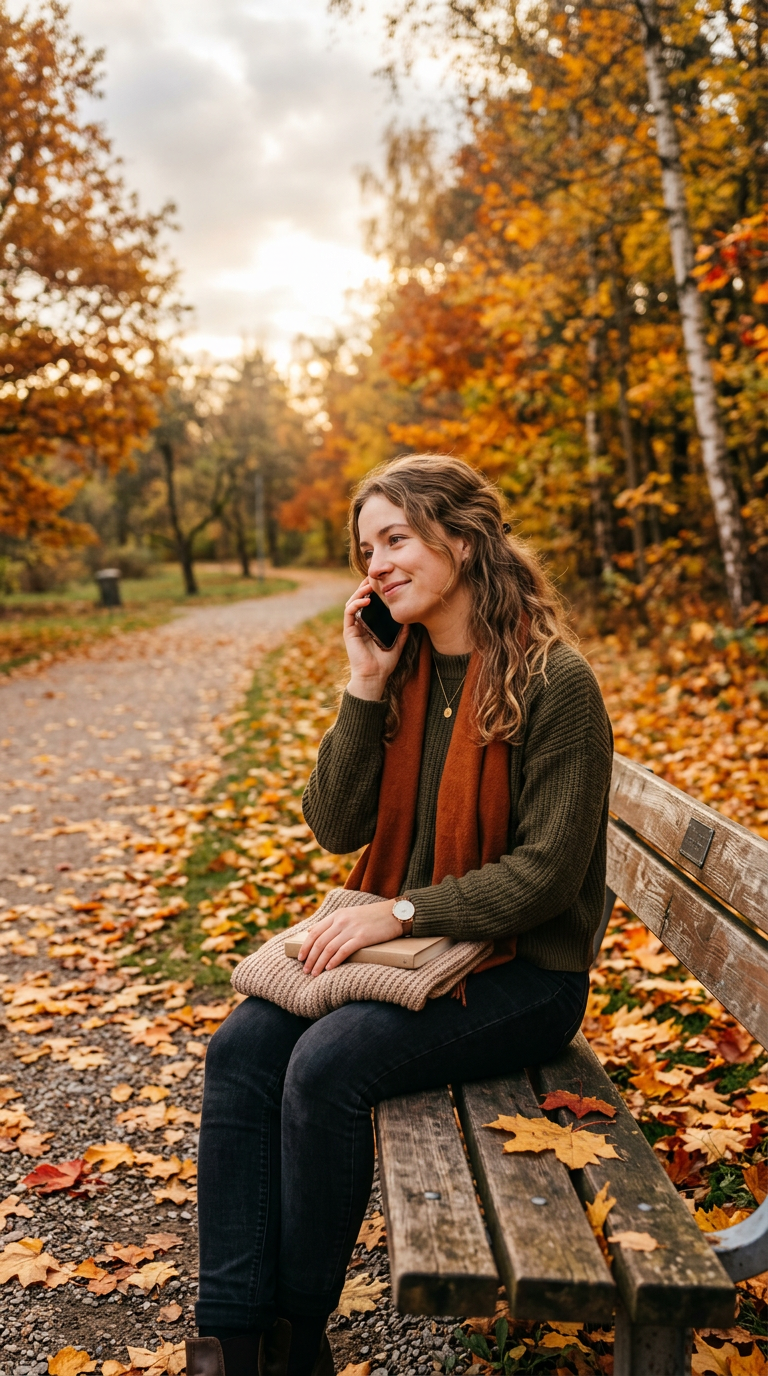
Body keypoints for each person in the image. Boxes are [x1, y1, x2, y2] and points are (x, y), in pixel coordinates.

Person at [187, 456, 613, 1376]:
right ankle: (228, 1339)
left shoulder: (553, 681)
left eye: (396, 539)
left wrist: (401, 912)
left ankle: (299, 1334)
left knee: (325, 1066)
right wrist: (365, 683)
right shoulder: (406, 664)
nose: (374, 564)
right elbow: (337, 824)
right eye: (365, 548)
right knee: (241, 1048)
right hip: (415, 949)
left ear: (460, 540)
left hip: (524, 973)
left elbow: (546, 876)